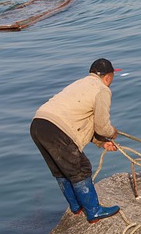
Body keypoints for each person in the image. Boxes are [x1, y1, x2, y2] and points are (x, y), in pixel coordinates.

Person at [30, 58, 121, 224]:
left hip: (38, 124)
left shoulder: (80, 84)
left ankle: (76, 206)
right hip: (57, 130)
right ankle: (94, 211)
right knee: (81, 168)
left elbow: (83, 123)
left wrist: (102, 143)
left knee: (61, 169)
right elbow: (101, 126)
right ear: (108, 77)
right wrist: (112, 133)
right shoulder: (102, 90)